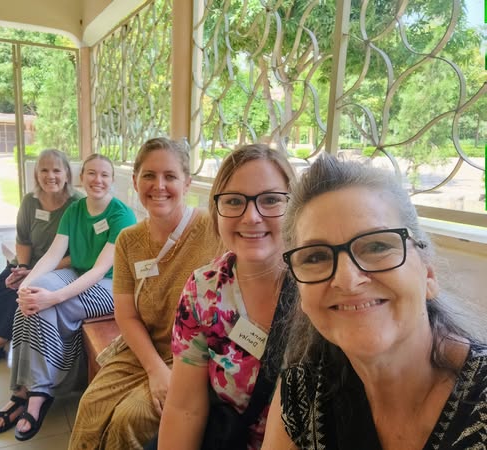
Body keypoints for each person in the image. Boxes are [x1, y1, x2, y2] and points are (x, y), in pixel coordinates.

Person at [262, 154, 487, 450]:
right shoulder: (303, 392)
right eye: (315, 257)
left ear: (428, 273)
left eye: (377, 246)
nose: (347, 279)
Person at [68, 137, 222, 450]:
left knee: (131, 417)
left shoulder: (214, 231)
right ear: (136, 181)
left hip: (194, 357)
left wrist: (168, 374)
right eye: (149, 175)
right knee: (91, 404)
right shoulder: (129, 240)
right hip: (143, 348)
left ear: (187, 183)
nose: (158, 186)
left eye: (170, 176)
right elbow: (126, 314)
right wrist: (155, 370)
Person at [0, 153, 136, 441]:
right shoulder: (75, 210)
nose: (97, 180)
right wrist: (28, 284)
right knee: (31, 298)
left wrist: (54, 297)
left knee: (45, 305)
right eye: (91, 173)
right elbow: (53, 255)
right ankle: (25, 390)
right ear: (81, 177)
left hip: (111, 285)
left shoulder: (121, 215)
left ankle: (35, 394)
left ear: (112, 180)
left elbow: (100, 270)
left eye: (104, 174)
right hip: (77, 273)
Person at [156, 144, 298, 450]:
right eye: (234, 201)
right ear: (216, 210)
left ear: (294, 206)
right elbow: (184, 408)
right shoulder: (203, 291)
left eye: (271, 200)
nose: (252, 216)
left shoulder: (321, 286)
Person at [0, 149, 83, 371]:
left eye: (57, 170)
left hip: (58, 268)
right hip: (28, 262)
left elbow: (79, 254)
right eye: (44, 170)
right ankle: (0, 329)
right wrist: (22, 267)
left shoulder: (77, 204)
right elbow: (23, 239)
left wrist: (34, 274)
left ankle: (0, 340)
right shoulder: (31, 201)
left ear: (67, 174)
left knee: (23, 296)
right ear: (36, 174)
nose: (51, 176)